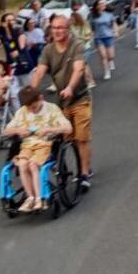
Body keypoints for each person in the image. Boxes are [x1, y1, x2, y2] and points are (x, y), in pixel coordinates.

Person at [31, 16, 93, 190]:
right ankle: (64, 168)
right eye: (54, 28)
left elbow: (78, 69)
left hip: (80, 98)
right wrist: (31, 94)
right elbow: (39, 72)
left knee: (81, 138)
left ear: (68, 29)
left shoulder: (76, 45)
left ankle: (84, 174)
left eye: (61, 28)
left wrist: (71, 87)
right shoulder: (48, 50)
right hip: (62, 102)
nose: (57, 31)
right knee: (65, 137)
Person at [3, 85, 72, 212]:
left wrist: (50, 129)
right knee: (22, 164)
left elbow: (68, 128)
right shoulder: (22, 111)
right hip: (27, 145)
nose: (31, 110)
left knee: (32, 165)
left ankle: (39, 198)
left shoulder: (52, 109)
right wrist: (18, 130)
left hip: (45, 144)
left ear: (41, 98)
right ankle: (30, 198)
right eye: (28, 108)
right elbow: (6, 131)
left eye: (34, 107)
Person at [0, 12, 32, 85]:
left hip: (24, 62)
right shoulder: (2, 34)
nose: (12, 22)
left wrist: (19, 51)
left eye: (13, 20)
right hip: (12, 64)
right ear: (3, 23)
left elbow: (22, 44)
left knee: (27, 86)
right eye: (9, 20)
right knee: (13, 87)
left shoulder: (18, 30)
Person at [70, 5, 96, 90]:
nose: (71, 20)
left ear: (76, 18)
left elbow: (89, 37)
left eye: (72, 19)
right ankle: (88, 81)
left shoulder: (84, 25)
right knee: (83, 65)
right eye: (70, 19)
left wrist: (79, 37)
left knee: (83, 64)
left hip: (85, 48)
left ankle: (90, 81)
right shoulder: (71, 27)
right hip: (77, 48)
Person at [91, 0, 118, 80]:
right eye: (100, 4)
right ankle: (107, 71)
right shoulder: (93, 16)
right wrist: (91, 36)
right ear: (97, 6)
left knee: (111, 55)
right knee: (103, 56)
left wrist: (116, 31)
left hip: (108, 37)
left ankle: (111, 60)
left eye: (103, 4)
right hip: (98, 38)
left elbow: (114, 24)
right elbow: (92, 27)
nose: (103, 5)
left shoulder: (109, 14)